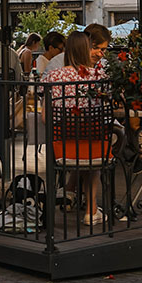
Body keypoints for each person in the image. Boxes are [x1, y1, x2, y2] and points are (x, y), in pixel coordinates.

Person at [43, 31, 110, 226]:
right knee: (95, 151)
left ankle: (70, 192)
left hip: (62, 147)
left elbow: (46, 118)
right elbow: (105, 114)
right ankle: (91, 210)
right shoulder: (100, 76)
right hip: (93, 145)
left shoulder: (53, 76)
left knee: (86, 146)